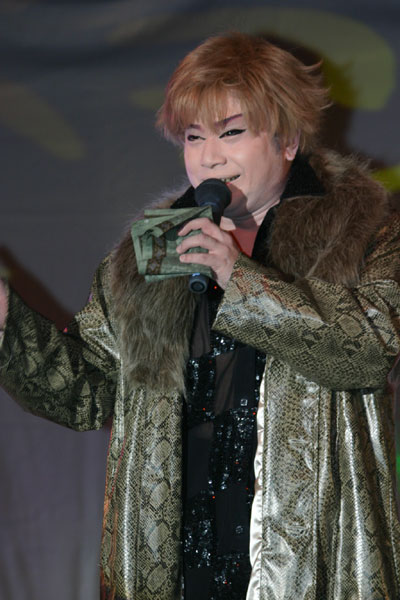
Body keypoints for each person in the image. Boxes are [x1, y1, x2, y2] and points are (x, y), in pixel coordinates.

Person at [0, 31, 399, 600]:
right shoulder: (150, 255)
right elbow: (87, 393)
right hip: (177, 564)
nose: (209, 156)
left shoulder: (364, 231)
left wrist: (241, 280)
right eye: (193, 136)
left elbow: (370, 351)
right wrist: (7, 320)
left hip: (308, 560)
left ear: (287, 139)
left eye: (231, 132)